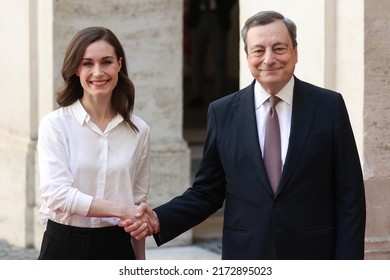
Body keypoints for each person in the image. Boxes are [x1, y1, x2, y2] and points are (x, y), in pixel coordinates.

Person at [121, 11, 366, 260]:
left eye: (279, 48)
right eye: (258, 50)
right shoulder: (222, 112)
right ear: (247, 56)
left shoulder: (328, 106)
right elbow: (208, 192)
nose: (268, 59)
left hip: (313, 255)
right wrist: (159, 218)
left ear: (295, 52)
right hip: (246, 256)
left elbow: (350, 196)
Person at [37, 27, 152, 260]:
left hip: (117, 247)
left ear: (119, 64)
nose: (97, 72)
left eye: (106, 62)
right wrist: (121, 209)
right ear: (76, 69)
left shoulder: (139, 131)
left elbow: (138, 205)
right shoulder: (55, 124)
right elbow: (57, 194)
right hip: (63, 246)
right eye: (87, 63)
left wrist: (141, 265)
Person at [187, 0, 236, 107]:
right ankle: (197, 96)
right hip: (198, 17)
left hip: (217, 17)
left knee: (220, 60)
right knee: (197, 60)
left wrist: (224, 9)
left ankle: (220, 96)